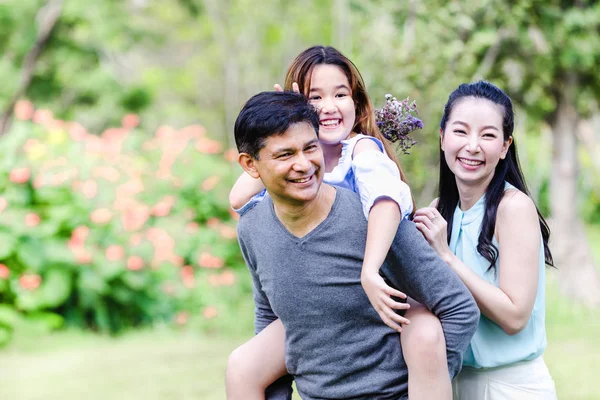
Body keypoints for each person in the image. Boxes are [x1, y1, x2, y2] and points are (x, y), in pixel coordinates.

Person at [227, 45, 464, 400]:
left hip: (386, 291)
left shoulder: (363, 153)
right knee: (242, 365)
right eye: (314, 97)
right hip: (317, 311)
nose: (328, 107)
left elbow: (385, 202)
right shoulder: (275, 193)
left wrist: (369, 271)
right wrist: (282, 118)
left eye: (340, 94)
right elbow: (239, 198)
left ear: (356, 102)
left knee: (425, 332)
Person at [413, 81, 557, 399]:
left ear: (505, 146)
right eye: (461, 131)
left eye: (488, 135)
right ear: (442, 137)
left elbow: (515, 316)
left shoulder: (513, 207)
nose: (472, 146)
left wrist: (445, 257)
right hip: (450, 384)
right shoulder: (439, 212)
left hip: (511, 386)